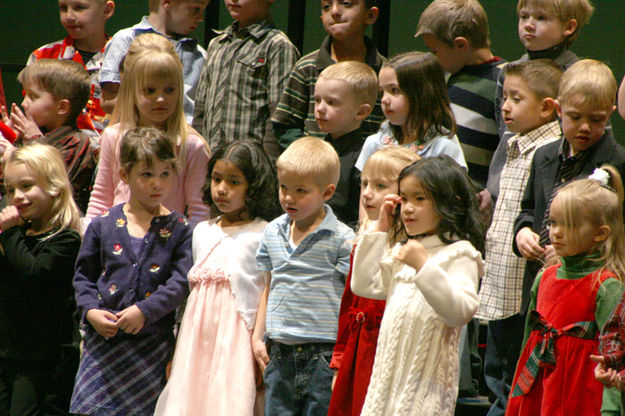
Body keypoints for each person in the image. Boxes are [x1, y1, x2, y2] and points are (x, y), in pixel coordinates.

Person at [70, 127, 193, 416]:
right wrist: (90, 312)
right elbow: (83, 276)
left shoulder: (179, 227)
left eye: (165, 173)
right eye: (147, 175)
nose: (157, 184)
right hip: (103, 343)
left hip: (149, 345)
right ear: (125, 175)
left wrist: (145, 311)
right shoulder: (103, 223)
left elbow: (179, 283)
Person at [153, 140, 281, 415]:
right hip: (196, 339)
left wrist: (258, 344)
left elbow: (266, 292)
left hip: (236, 340)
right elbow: (191, 299)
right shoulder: (202, 231)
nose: (222, 189)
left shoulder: (264, 233)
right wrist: (178, 350)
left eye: (234, 182)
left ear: (254, 186)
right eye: (217, 179)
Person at [350, 155, 484, 415]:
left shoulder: (460, 253)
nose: (408, 208)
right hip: (385, 385)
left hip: (424, 392)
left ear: (450, 203)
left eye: (419, 199)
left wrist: (424, 267)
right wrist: (379, 229)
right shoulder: (407, 249)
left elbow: (460, 311)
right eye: (404, 199)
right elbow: (364, 285)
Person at [474, 59, 562, 416]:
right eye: (504, 97)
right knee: (494, 374)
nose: (505, 106)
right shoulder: (514, 143)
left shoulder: (550, 150)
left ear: (546, 107)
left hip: (521, 287)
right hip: (500, 281)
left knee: (513, 379)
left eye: (516, 98)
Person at [513, 59, 625, 327]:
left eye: (595, 119)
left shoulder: (617, 162)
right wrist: (523, 231)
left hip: (585, 291)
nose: (584, 127)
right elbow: (528, 208)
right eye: (575, 117)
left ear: (609, 113)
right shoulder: (544, 156)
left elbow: (616, 231)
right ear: (559, 109)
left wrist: (571, 253)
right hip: (540, 284)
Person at [507, 166, 625, 415]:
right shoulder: (545, 276)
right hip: (538, 383)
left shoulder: (607, 285)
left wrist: (610, 410)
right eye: (553, 222)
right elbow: (529, 339)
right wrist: (516, 395)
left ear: (600, 233)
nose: (556, 232)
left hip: (579, 390)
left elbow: (613, 355)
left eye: (569, 225)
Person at [252, 136, 355, 415]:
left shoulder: (342, 238)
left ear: (327, 192)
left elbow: (351, 298)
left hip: (322, 354)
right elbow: (268, 285)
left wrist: (343, 354)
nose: (288, 197)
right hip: (280, 351)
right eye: (283, 186)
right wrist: (258, 336)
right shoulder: (272, 231)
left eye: (300, 190)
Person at [328, 146, 419, 416]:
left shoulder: (413, 248)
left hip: (390, 348)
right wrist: (340, 360)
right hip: (360, 349)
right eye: (365, 183)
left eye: (380, 185)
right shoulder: (364, 241)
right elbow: (349, 305)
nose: (367, 193)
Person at [86, 42, 210, 224]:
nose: (160, 99)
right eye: (150, 91)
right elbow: (101, 198)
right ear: (132, 91)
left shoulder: (191, 145)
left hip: (168, 247)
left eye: (169, 90)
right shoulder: (113, 137)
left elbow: (199, 212)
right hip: (118, 244)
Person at [0, 143, 82, 414]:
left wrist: (10, 234)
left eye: (26, 186)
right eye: (10, 190)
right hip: (8, 352)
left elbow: (35, 276)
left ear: (54, 186)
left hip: (42, 360)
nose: (17, 197)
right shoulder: (17, 237)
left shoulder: (65, 240)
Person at [486, 0, 594, 202]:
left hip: (556, 187)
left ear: (569, 27)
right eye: (524, 16)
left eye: (541, 18)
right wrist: (492, 189)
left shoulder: (578, 75)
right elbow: (504, 132)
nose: (528, 24)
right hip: (506, 187)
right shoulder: (509, 72)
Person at [191, 0, 299, 160]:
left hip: (250, 167)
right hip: (211, 165)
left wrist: (267, 170)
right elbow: (200, 109)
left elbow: (278, 117)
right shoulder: (217, 44)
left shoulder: (277, 46)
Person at [416, 0, 506, 192]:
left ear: (460, 45)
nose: (433, 58)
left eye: (435, 51)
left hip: (475, 194)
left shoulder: (504, 79)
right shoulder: (447, 77)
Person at [271, 0, 385, 149]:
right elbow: (285, 124)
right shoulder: (307, 67)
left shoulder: (385, 72)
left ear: (370, 15)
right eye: (326, 7)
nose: (335, 12)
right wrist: (310, 154)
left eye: (346, 3)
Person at [4, 59, 98, 214]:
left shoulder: (76, 141)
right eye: (25, 95)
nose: (24, 103)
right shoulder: (30, 135)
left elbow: (51, 185)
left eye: (33, 97)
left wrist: (34, 140)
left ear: (62, 107)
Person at [99, 0, 209, 122]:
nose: (201, 18)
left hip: (181, 136)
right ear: (167, 2)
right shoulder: (126, 39)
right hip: (134, 135)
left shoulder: (200, 55)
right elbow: (107, 102)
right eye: (196, 9)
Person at [355, 52, 466, 171]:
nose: (384, 100)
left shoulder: (443, 146)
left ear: (422, 93)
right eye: (382, 92)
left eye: (394, 90)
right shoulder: (374, 143)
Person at [27, 0, 115, 132]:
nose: (69, 16)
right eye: (63, 8)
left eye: (79, 7)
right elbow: (31, 115)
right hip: (53, 148)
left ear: (107, 10)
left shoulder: (124, 58)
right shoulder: (42, 56)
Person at [314, 60, 378, 227]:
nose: (320, 108)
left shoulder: (365, 157)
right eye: (317, 100)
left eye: (331, 102)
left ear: (361, 112)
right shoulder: (314, 149)